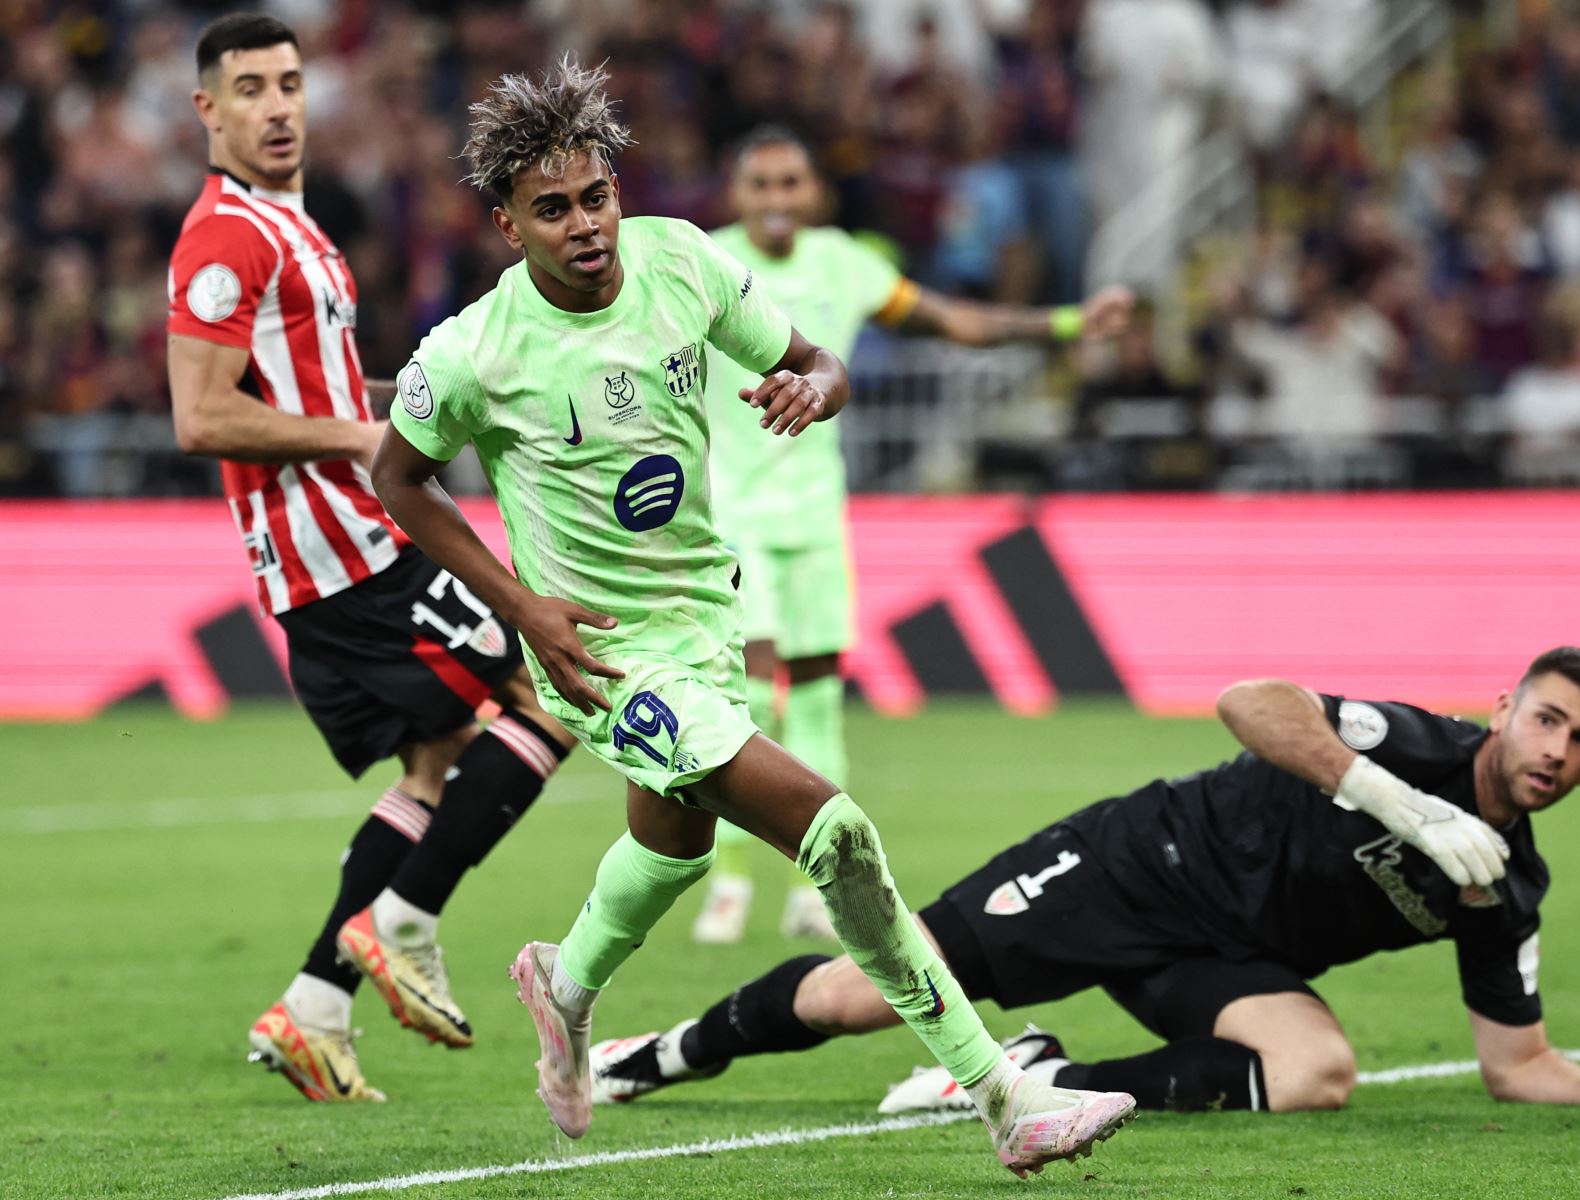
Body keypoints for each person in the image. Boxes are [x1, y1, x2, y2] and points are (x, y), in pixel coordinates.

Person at [368, 58, 1134, 1177]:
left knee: (672, 847)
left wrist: (816, 387)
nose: (586, 226)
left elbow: (813, 360)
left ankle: (565, 982)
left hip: (703, 618)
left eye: (597, 196)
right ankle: (1002, 1094)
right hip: (604, 655)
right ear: (507, 224)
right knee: (834, 832)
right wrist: (525, 605)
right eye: (553, 209)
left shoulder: (681, 260)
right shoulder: (474, 351)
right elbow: (398, 477)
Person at [590, 647, 1580, 1116]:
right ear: (1507, 710)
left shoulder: (1506, 886)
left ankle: (1043, 1074)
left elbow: (1514, 1061)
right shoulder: (1416, 746)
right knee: (862, 992)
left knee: (1318, 1070)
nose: (1557, 753)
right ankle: (652, 1058)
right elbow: (1250, 704)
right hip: (1140, 865)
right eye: (1547, 721)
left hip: (1225, 964)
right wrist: (1392, 798)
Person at [165, 13, 578, 1103]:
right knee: (556, 685)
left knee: (437, 758)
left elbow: (332, 397)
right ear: (208, 109)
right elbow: (201, 417)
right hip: (345, 553)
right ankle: (406, 920)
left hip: (343, 552)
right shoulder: (225, 240)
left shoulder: (295, 226)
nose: (278, 105)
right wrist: (362, 440)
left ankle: (314, 1006)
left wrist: (433, 409)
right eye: (249, 88)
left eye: (290, 83)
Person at [693, 126, 1132, 944]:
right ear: (737, 193)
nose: (778, 200)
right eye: (762, 185)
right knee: (745, 696)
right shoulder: (703, 263)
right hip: (733, 517)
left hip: (817, 512)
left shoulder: (845, 264)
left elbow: (953, 321)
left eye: (792, 183)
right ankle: (728, 881)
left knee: (819, 700)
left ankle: (814, 879)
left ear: (814, 192)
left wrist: (1069, 325)